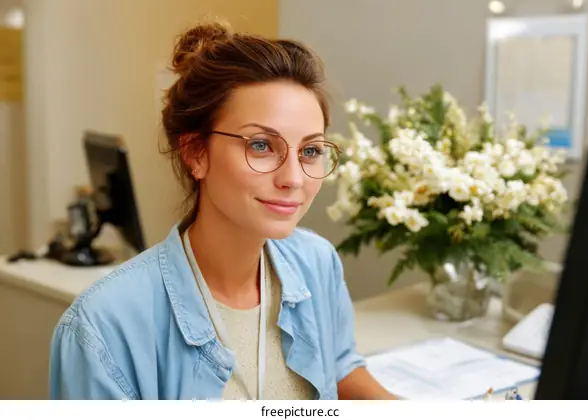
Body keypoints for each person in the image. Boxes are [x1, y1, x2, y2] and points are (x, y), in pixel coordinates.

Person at [48, 20, 396, 400]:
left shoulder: (316, 263)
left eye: (310, 151)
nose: (294, 178)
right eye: (261, 145)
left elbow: (341, 366)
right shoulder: (103, 326)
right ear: (196, 153)